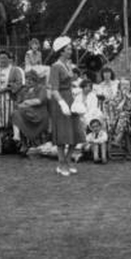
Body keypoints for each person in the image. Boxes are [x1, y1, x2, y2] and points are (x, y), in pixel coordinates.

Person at [48, 36, 85, 176]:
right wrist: (62, 102)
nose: (71, 51)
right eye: (68, 49)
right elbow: (54, 89)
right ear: (61, 51)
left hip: (71, 100)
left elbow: (70, 82)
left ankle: (67, 161)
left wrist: (75, 88)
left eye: (70, 48)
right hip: (60, 102)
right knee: (63, 135)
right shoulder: (55, 67)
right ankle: (62, 164)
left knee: (76, 134)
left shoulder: (68, 64)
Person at [0, 50, 24, 138]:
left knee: (10, 117)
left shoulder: (15, 70)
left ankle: (11, 136)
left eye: (5, 58)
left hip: (10, 98)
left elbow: (19, 82)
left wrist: (8, 88)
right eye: (1, 58)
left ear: (9, 59)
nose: (3, 60)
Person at [12, 69, 49, 154]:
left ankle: (29, 144)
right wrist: (21, 104)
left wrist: (26, 103)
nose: (28, 81)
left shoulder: (41, 88)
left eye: (30, 79)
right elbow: (18, 103)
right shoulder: (23, 90)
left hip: (39, 113)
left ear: (35, 80)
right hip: (26, 113)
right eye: (27, 79)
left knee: (20, 112)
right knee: (15, 113)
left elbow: (39, 101)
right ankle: (17, 137)